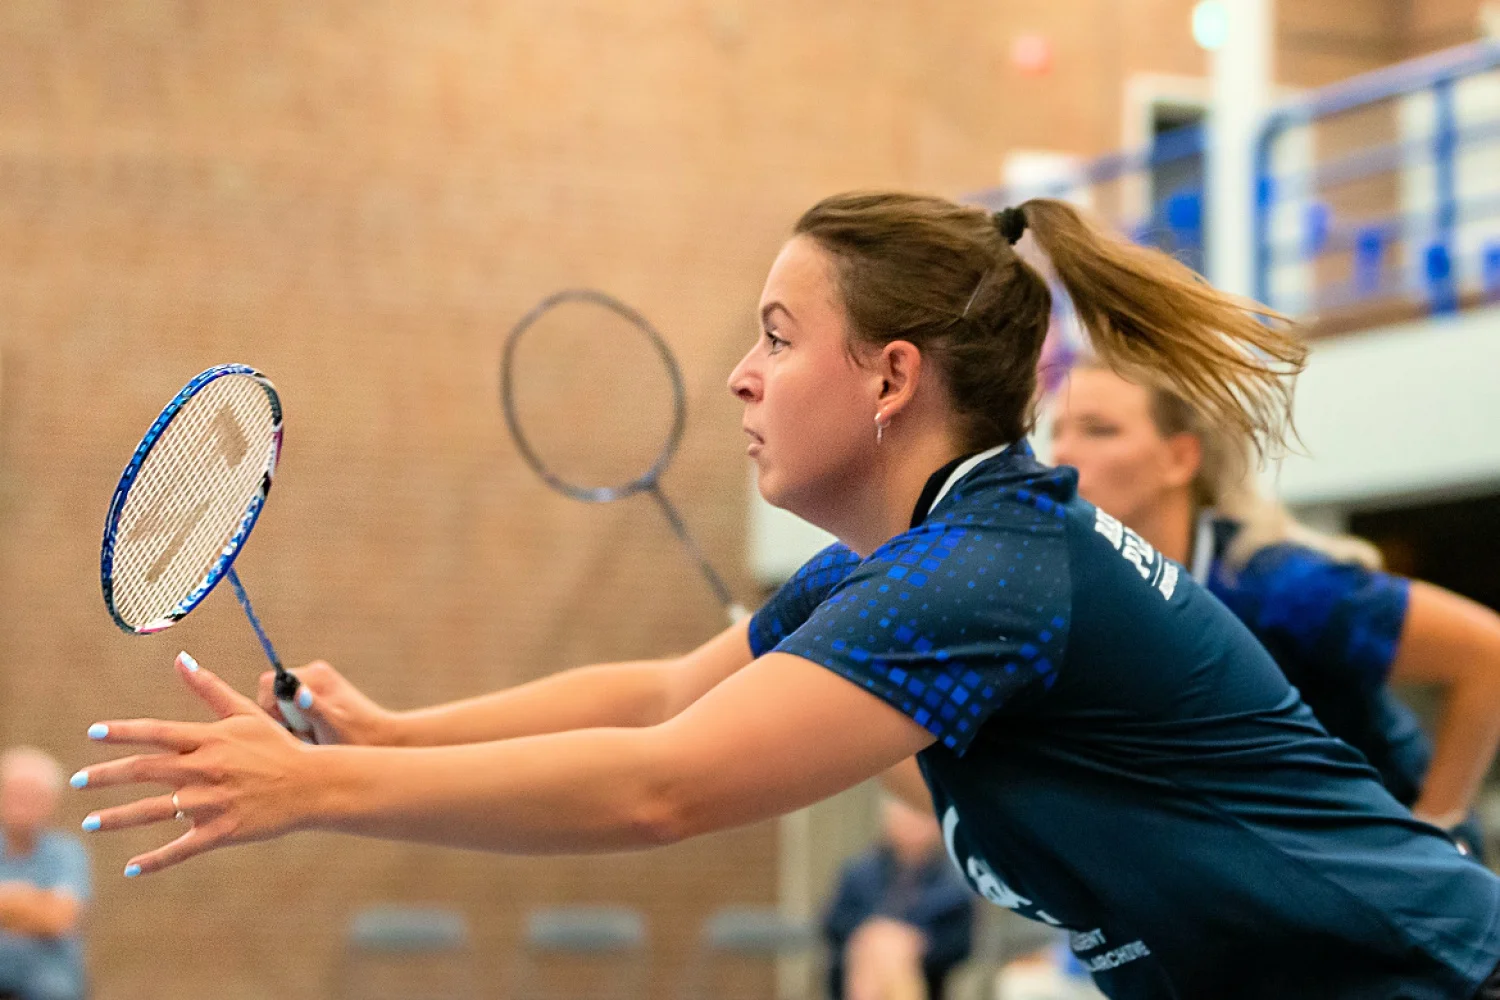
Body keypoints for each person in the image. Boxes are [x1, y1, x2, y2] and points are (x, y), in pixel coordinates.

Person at [75, 192, 1500, 999]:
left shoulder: (988, 574)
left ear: (891, 379)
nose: (744, 377)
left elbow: (663, 789)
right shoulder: (930, 557)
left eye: (775, 336)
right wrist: (388, 737)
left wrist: (318, 796)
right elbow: (659, 696)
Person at [1049, 361, 1500, 858]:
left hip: (1381, 877)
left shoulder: (1281, 586)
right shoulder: (1092, 601)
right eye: (1056, 431)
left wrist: (1438, 830)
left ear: (1179, 458)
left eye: (1098, 430)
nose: (1062, 454)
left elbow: (1489, 653)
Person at [822, 796, 973, 1000]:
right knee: (880, 944)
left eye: (917, 817)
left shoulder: (953, 884)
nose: (911, 826)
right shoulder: (859, 874)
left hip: (922, 975)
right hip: (860, 963)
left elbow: (958, 942)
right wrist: (873, 935)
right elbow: (833, 924)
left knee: (892, 949)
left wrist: (913, 942)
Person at [0, 748, 89, 1000]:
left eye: (32, 797)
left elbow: (59, 918)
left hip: (49, 985)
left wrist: (7, 906)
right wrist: (33, 903)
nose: (22, 806)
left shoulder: (67, 852)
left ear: (50, 802)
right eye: (15, 795)